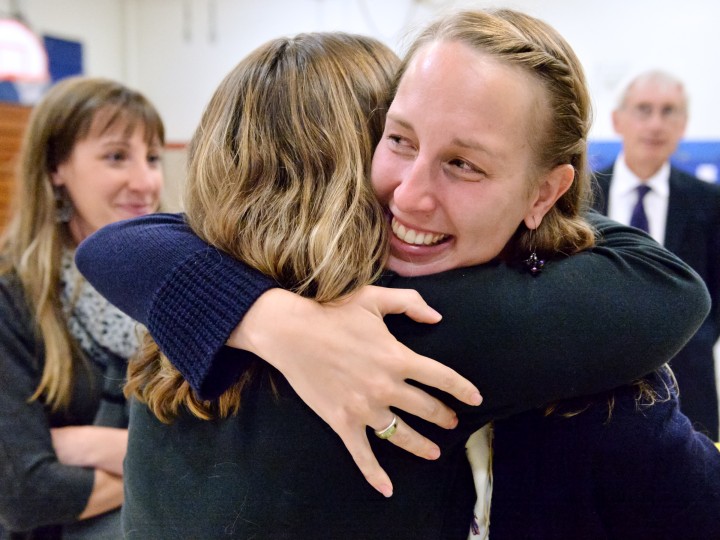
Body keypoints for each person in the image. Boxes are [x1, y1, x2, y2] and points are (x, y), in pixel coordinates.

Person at [76, 12, 718, 539]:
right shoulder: (418, 323)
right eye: (398, 139)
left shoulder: (172, 332)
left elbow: (116, 244)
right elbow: (667, 285)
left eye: (464, 163)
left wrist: (259, 313)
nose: (409, 196)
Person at [0, 77, 165, 539]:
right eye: (117, 156)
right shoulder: (11, 296)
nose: (146, 181)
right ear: (56, 167)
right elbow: (25, 494)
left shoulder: (179, 284)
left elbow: (228, 450)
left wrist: (98, 446)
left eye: (152, 158)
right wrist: (175, 460)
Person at [593, 70, 720, 440]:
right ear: (618, 121)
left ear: (684, 125)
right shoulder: (581, 197)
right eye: (643, 109)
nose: (655, 123)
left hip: (688, 392)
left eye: (669, 111)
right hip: (593, 386)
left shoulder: (709, 203)